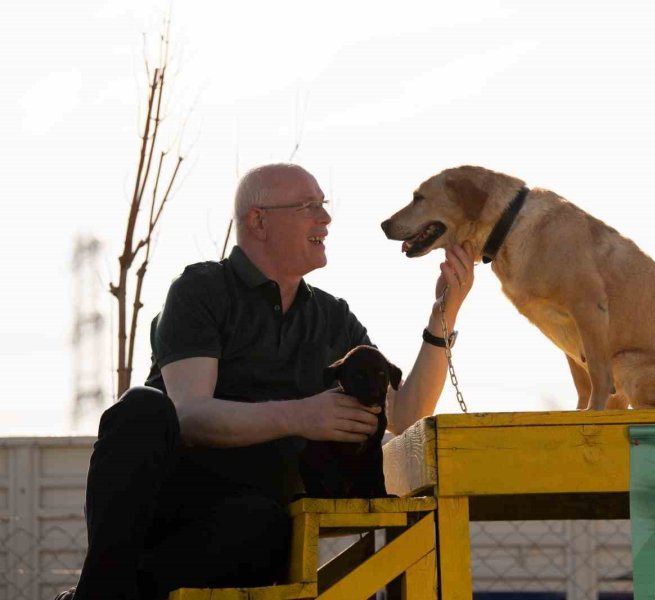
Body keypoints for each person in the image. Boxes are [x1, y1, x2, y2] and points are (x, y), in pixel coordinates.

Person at [58, 163, 475, 600]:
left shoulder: (333, 319)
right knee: (140, 408)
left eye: (324, 205)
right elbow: (190, 414)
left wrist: (443, 316)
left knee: (264, 526)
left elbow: (406, 413)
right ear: (259, 221)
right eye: (309, 206)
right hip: (164, 502)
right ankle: (99, 593)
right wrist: (303, 415)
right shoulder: (201, 289)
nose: (326, 219)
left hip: (244, 525)